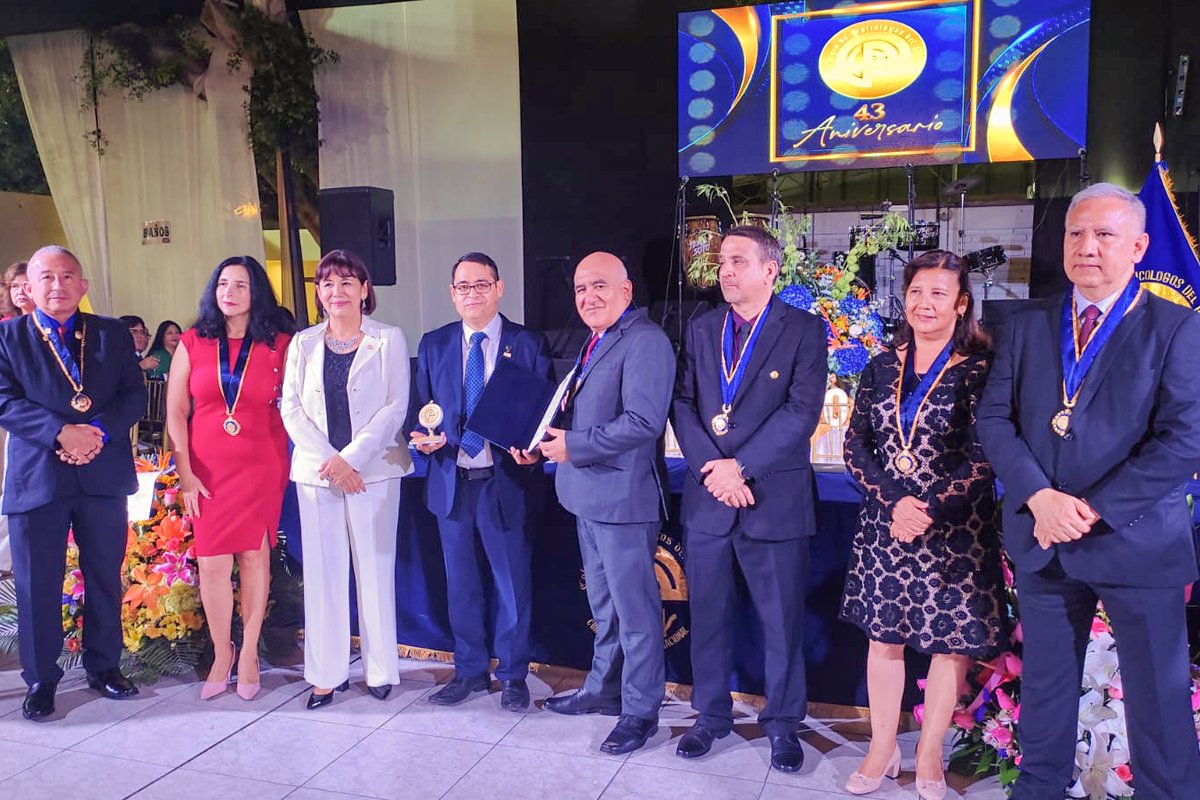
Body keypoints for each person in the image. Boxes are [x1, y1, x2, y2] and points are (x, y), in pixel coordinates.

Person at [977, 183, 1200, 798]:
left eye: (1104, 234)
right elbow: (995, 420)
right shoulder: (1027, 323)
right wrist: (1040, 499)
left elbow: (1183, 442)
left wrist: (1093, 510)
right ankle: (1038, 789)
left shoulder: (1177, 327)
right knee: (1046, 690)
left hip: (1135, 543)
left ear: (1138, 246)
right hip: (1043, 539)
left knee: (1157, 698)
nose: (1088, 247)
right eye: (1076, 233)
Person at [839, 251, 1003, 798]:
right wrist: (894, 503)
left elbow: (985, 454)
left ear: (961, 304)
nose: (924, 303)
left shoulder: (982, 369)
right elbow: (855, 444)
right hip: (887, 526)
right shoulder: (882, 363)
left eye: (938, 294)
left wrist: (928, 507)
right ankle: (882, 748)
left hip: (955, 529)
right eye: (916, 292)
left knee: (947, 645)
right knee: (884, 641)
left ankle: (930, 753)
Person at [670, 225, 827, 773]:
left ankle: (783, 724)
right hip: (711, 495)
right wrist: (714, 471)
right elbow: (683, 404)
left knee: (781, 621)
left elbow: (802, 412)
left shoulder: (804, 329)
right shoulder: (702, 327)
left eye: (738, 260)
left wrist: (742, 466)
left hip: (772, 498)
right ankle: (710, 717)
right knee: (707, 615)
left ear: (770, 269)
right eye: (721, 262)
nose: (726, 270)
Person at [0, 245, 146, 720]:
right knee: (36, 582)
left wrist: (97, 433)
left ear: (83, 285)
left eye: (68, 277)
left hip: (101, 473)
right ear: (28, 286)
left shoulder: (110, 334)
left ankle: (104, 668)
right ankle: (42, 679)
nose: (57, 285)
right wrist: (61, 432)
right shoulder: (10, 337)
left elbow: (132, 394)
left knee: (104, 576)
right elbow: (4, 400)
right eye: (47, 277)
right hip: (38, 476)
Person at [540, 252, 675, 755]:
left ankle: (641, 711)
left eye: (599, 286)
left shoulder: (646, 342)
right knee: (604, 606)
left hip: (623, 500)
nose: (588, 297)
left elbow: (643, 422)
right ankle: (602, 688)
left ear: (626, 290)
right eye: (580, 289)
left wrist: (574, 445)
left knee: (636, 612)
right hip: (586, 497)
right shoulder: (597, 340)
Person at [408, 252, 553, 712]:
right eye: (463, 287)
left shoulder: (527, 343)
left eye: (481, 285)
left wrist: (532, 448)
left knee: (512, 585)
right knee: (461, 584)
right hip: (451, 482)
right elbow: (421, 410)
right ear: (452, 294)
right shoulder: (434, 344)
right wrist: (420, 438)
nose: (472, 294)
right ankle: (469, 671)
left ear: (499, 288)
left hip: (504, 480)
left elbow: (543, 412)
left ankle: (512, 675)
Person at [282, 250, 412, 708]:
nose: (336, 291)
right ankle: (326, 674)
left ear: (363, 290)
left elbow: (395, 407)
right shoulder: (303, 343)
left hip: (373, 474)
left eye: (346, 282)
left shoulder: (388, 339)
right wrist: (330, 461)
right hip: (318, 475)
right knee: (322, 574)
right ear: (319, 293)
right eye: (327, 284)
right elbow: (291, 408)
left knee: (374, 571)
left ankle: (380, 670)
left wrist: (352, 460)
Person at [166, 256, 291, 702]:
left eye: (240, 285)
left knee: (255, 559)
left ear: (256, 292)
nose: (229, 292)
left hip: (261, 465)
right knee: (213, 564)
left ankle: (251, 653)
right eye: (223, 284)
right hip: (206, 469)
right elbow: (176, 411)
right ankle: (223, 652)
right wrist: (185, 474)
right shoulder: (194, 341)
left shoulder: (280, 343)